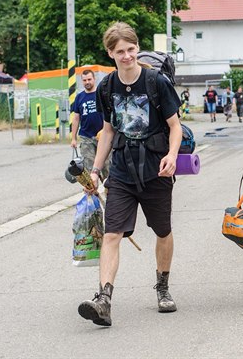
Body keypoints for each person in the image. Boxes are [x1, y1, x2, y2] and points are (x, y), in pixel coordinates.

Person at [77, 22, 182, 326]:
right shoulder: (106, 87)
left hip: (155, 169)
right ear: (110, 53)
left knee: (162, 231)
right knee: (111, 234)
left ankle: (162, 288)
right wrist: (95, 171)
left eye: (131, 50)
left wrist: (172, 155)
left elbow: (174, 126)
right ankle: (104, 299)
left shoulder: (155, 82)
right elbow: (107, 132)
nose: (126, 56)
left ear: (137, 48)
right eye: (120, 51)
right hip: (122, 171)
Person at [70, 69, 109, 178]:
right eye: (84, 80)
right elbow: (76, 118)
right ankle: (93, 192)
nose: (87, 82)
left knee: (107, 167)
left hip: (103, 136)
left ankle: (110, 192)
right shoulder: (79, 97)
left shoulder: (101, 94)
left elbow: (110, 113)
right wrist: (73, 138)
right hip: (86, 137)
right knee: (89, 169)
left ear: (94, 79)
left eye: (89, 79)